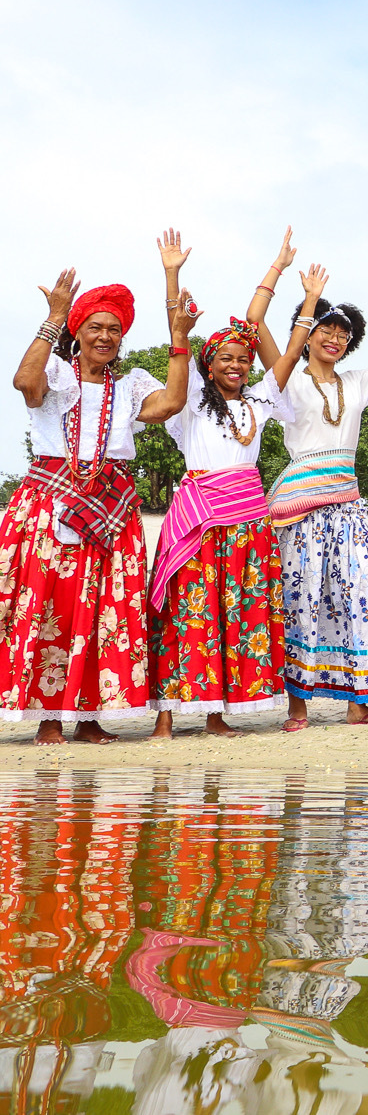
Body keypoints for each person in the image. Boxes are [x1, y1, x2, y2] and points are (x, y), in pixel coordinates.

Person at [3, 240, 195, 742]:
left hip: (112, 505)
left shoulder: (129, 386)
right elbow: (25, 382)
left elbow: (173, 402)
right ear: (78, 332)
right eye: (95, 327)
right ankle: (47, 719)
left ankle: (88, 718)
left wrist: (179, 338)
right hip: (50, 501)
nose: (105, 336)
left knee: (105, 605)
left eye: (114, 329)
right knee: (53, 604)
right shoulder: (57, 376)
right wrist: (55, 316)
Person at [264, 261, 368, 728]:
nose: (334, 339)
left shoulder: (355, 382)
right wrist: (308, 299)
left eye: (342, 334)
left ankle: (361, 702)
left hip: (348, 503)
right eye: (324, 330)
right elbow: (257, 327)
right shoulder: (287, 377)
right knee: (302, 596)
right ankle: (298, 705)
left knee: (363, 594)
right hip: (301, 507)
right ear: (308, 335)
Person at [148, 296, 292, 736]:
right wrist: (173, 288)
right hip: (198, 519)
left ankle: (215, 715)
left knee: (232, 616)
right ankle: (165, 716)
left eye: (243, 360)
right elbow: (179, 345)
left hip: (248, 525)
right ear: (208, 366)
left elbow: (286, 359)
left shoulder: (261, 403)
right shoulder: (190, 401)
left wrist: (298, 298)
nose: (236, 366)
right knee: (185, 613)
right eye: (226, 359)